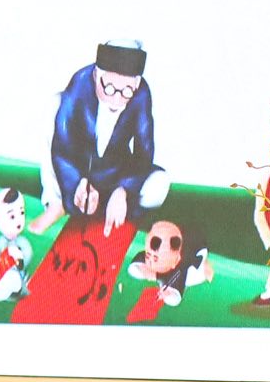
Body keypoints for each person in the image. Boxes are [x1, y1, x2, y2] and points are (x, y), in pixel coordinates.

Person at [34, 37, 169, 236]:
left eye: (126, 91)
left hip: (115, 176)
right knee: (54, 104)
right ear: (97, 76)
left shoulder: (141, 95)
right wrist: (77, 183)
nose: (116, 99)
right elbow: (62, 147)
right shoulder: (80, 84)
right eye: (110, 88)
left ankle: (110, 209)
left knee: (159, 184)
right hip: (78, 172)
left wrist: (123, 190)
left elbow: (144, 154)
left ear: (136, 83)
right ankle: (57, 202)